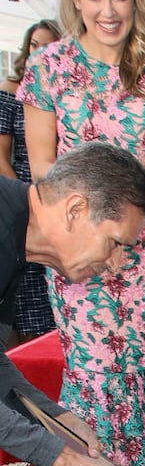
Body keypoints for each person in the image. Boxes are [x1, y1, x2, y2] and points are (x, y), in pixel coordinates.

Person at [16, 0, 145, 466]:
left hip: (140, 251)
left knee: (143, 368)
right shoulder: (49, 67)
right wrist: (92, 205)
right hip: (80, 249)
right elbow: (41, 169)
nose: (107, 10)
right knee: (95, 372)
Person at [0, 142, 145, 466]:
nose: (116, 264)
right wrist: (63, 460)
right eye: (117, 244)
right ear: (75, 209)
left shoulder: (14, 234)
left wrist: (58, 419)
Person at [0, 19, 61, 346]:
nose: (39, 52)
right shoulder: (9, 95)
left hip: (59, 198)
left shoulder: (65, 86)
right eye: (34, 44)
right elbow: (1, 157)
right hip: (25, 197)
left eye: (47, 45)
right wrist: (25, 203)